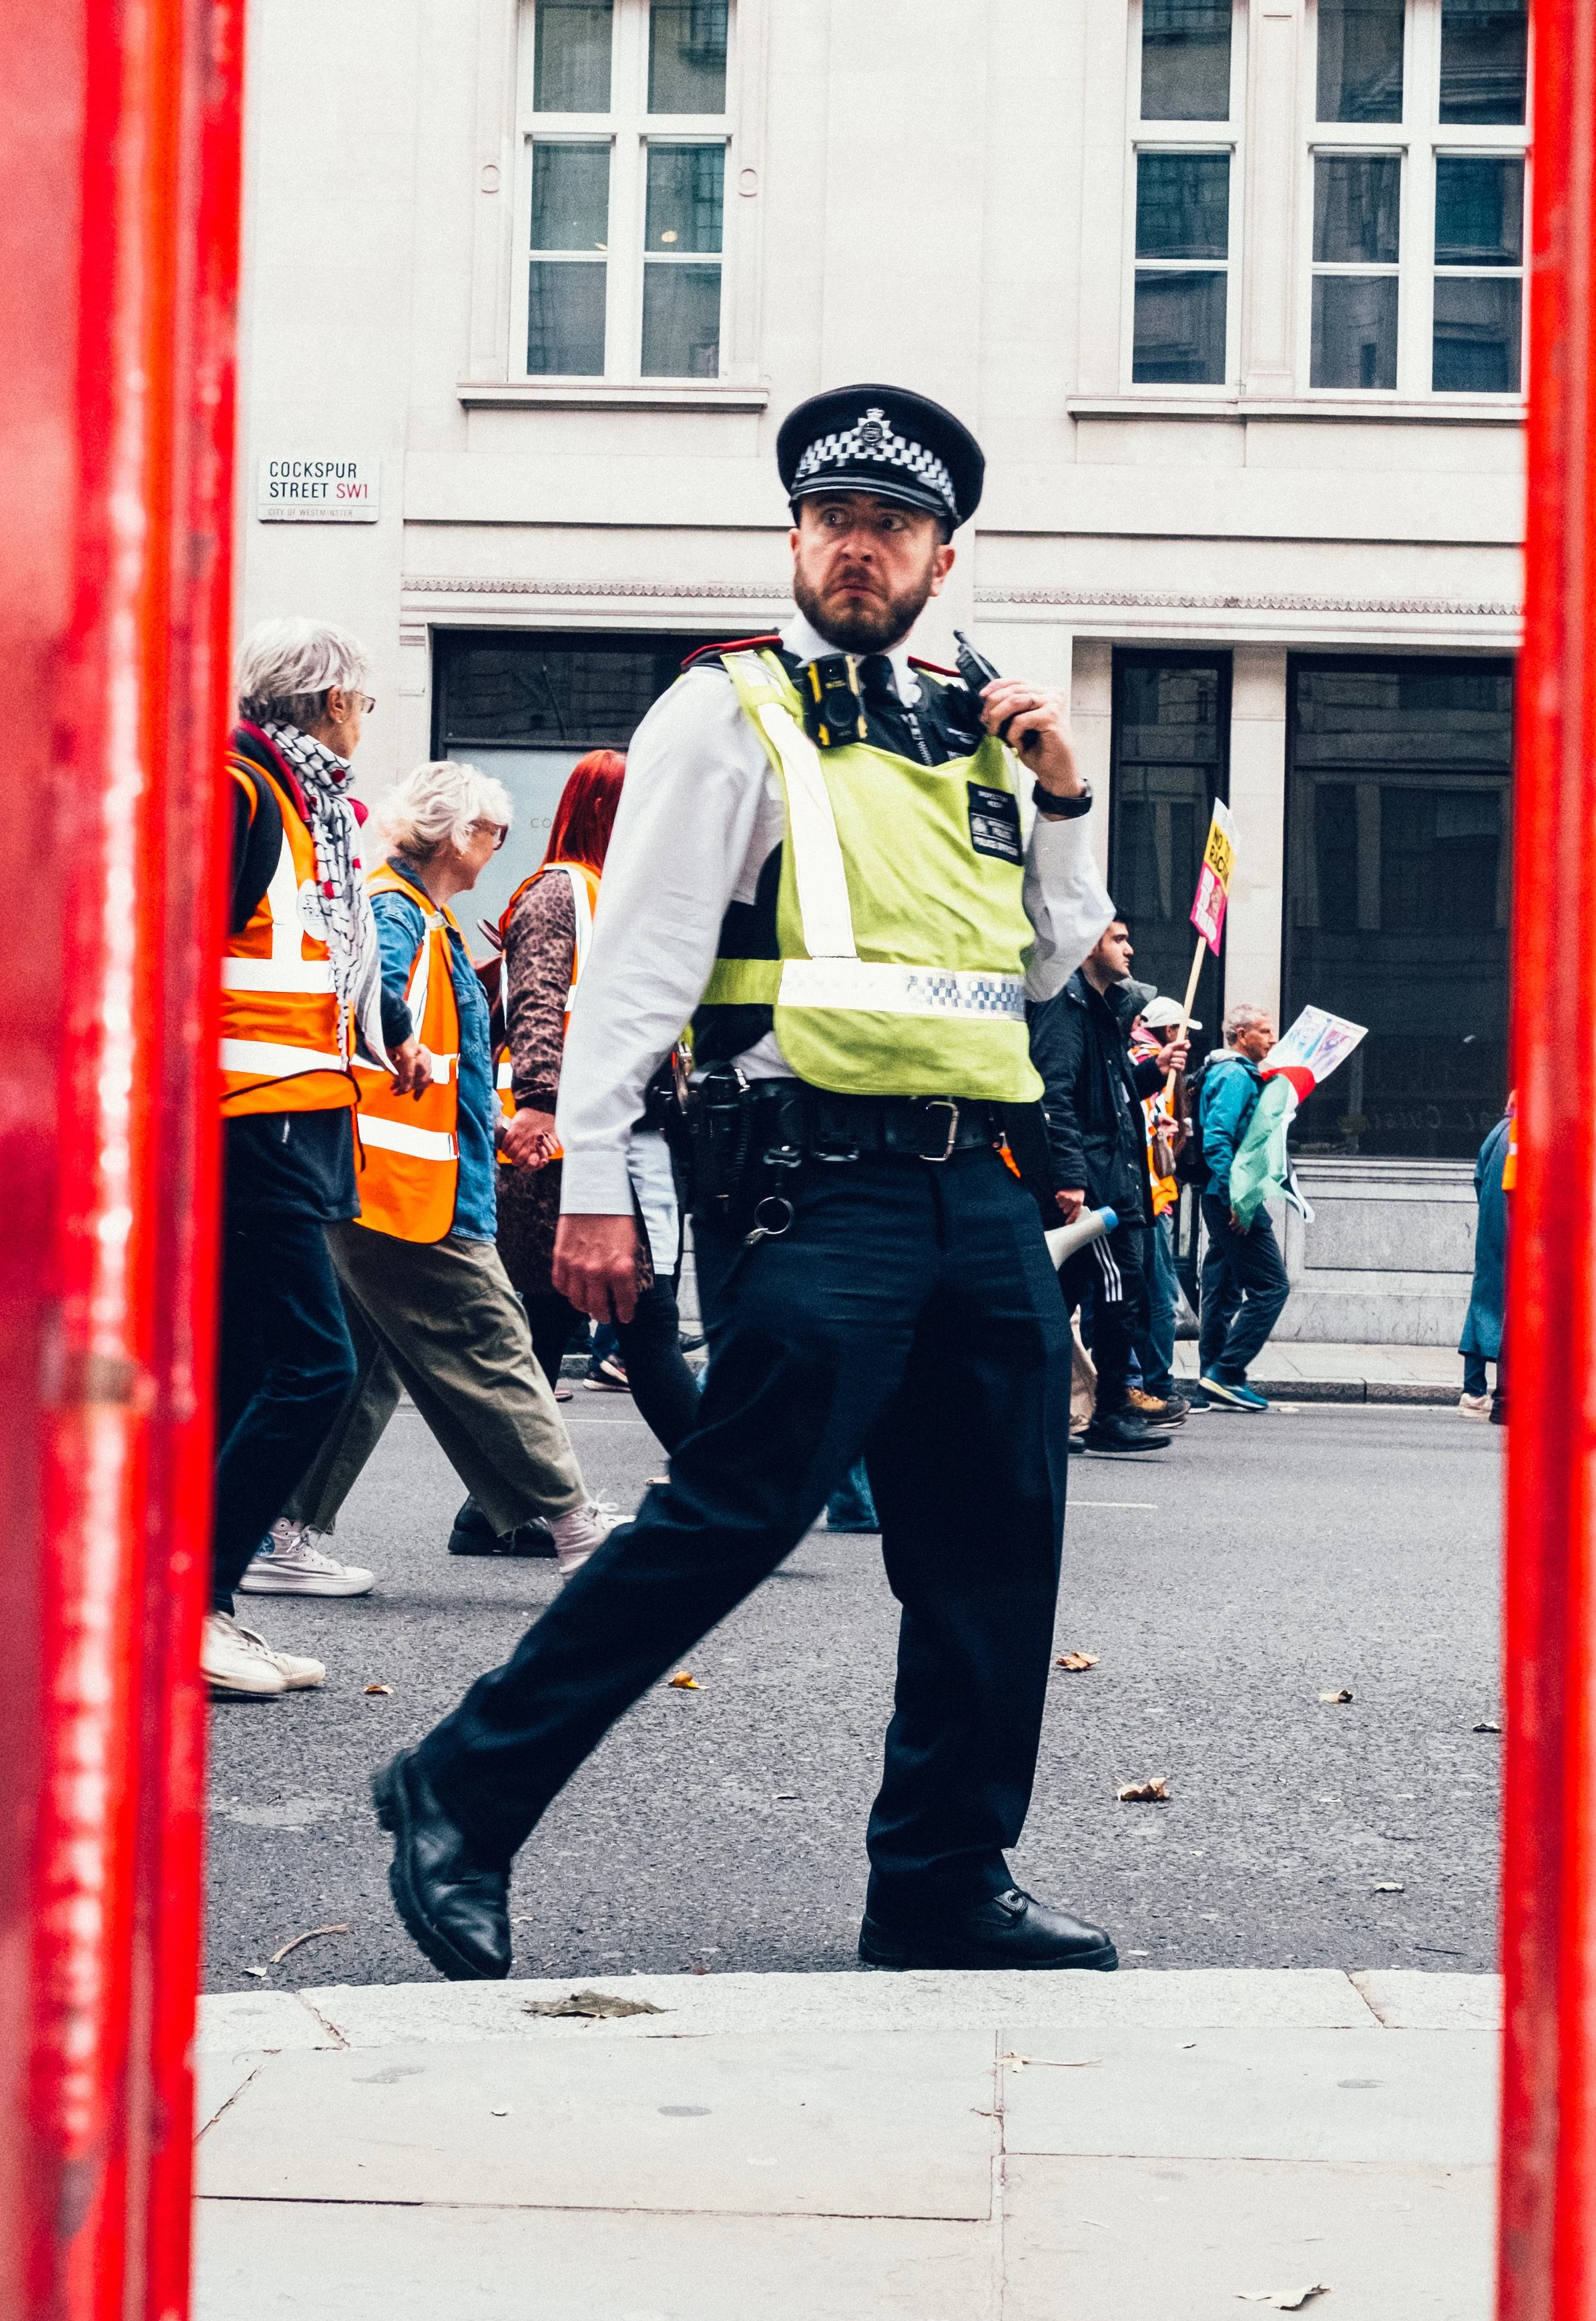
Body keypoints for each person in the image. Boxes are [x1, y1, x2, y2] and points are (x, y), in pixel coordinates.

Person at [373, 382, 1121, 1983]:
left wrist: (1062, 794)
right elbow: (637, 960)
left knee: (995, 1546)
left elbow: (1053, 956)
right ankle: (461, 1789)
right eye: (835, 522)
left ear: (940, 558)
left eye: (893, 528)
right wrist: (593, 1182)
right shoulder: (729, 712)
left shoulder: (984, 732)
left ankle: (940, 1880)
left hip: (979, 1193)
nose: (861, 549)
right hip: (813, 1182)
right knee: (733, 1513)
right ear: (795, 539)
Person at [273, 760, 623, 1580]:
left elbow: (432, 1047)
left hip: (388, 1183)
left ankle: (278, 1531)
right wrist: (413, 1058)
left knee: (363, 1366)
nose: (500, 846)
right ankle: (575, 1523)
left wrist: (490, 1122)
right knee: (491, 1341)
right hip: (408, 1191)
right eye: (494, 831)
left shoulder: (420, 915)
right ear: (460, 834)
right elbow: (369, 1019)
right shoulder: (403, 917)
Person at [210, 619, 429, 1699]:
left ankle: (203, 1605)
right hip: (251, 1117)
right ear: (333, 700)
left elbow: (322, 951)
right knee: (314, 1363)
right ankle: (196, 1596)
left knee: (251, 1365)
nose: (362, 721)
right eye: (363, 703)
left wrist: (390, 1029)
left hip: (301, 1112)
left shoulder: (309, 812)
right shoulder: (248, 792)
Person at [487, 748, 701, 1516]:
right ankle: (731, 1485)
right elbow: (537, 1005)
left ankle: (494, 1509)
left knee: (548, 1328)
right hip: (571, 1150)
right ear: (608, 810)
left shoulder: (614, 894)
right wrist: (541, 1099)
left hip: (606, 1142)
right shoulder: (560, 891)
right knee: (646, 1323)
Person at [1028, 919, 1190, 1452]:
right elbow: (1056, 1096)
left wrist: (1153, 1071)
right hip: (1097, 1189)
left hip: (1114, 1182)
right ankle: (1111, 1410)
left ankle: (1050, 1411)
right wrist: (1071, 1177)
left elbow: (1111, 1096)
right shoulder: (1066, 1006)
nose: (1130, 949)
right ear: (1088, 944)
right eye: (1118, 939)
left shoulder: (1099, 1014)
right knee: (1122, 1291)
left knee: (1067, 1296)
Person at [1195, 1005, 1290, 1412]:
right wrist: (1238, 1197)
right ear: (1239, 1034)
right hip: (1233, 1197)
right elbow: (1218, 1138)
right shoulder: (1235, 1075)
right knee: (1272, 1287)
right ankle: (1226, 1373)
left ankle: (1210, 1380)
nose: (1272, 1039)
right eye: (1264, 1032)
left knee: (1222, 1285)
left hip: (1222, 1194)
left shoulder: (1230, 1072)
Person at [1130, 994, 1200, 1414]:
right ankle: (1155, 1384)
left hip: (1152, 1194)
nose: (1189, 1043)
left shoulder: (1144, 1062)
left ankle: (1143, 1382)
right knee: (1158, 1297)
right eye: (1185, 1032)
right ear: (1170, 1031)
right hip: (1149, 1197)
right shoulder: (1150, 1065)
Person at [1458, 1104, 1511, 1421]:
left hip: (1492, 1228)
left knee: (1483, 1304)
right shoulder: (1522, 1133)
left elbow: (1479, 1175)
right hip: (1513, 1229)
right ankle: (1504, 1396)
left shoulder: (1501, 1130)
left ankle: (1474, 1391)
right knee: (1511, 1311)